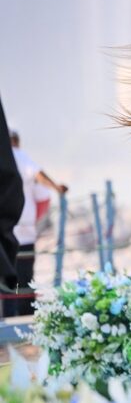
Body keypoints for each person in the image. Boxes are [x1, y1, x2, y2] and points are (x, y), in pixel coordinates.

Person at [5, 131, 68, 317]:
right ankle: (25, 319)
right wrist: (56, 187)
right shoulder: (16, 154)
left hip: (7, 231)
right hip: (22, 231)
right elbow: (39, 179)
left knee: (5, 279)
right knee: (24, 277)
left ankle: (7, 318)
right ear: (15, 142)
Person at [0, 97, 25, 309]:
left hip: (22, 232)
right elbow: (10, 183)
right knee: (18, 286)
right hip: (24, 232)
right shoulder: (23, 157)